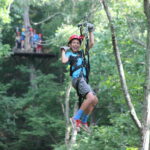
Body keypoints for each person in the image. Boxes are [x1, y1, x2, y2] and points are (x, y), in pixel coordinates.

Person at [61, 23, 98, 132]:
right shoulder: (69, 54)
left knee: (95, 100)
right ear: (70, 44)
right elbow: (63, 61)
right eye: (73, 43)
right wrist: (63, 50)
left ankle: (83, 121)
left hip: (83, 80)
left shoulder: (82, 53)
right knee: (90, 98)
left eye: (78, 43)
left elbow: (91, 43)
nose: (76, 44)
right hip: (77, 79)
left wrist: (91, 30)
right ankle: (75, 118)